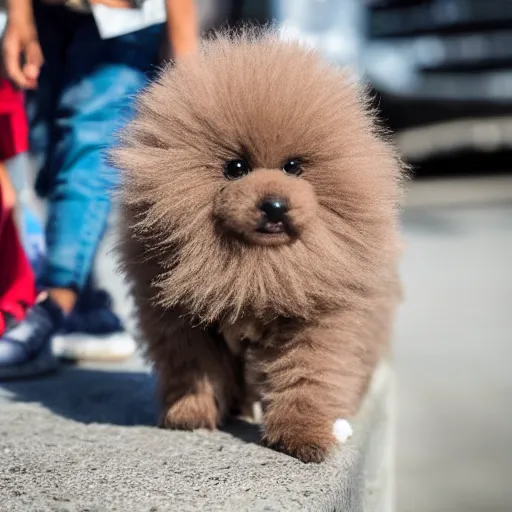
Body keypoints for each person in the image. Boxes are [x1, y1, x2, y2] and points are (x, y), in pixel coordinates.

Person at [0, 0, 199, 377]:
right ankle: (85, 304)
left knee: (88, 143)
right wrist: (20, 15)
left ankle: (53, 306)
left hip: (123, 19)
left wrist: (186, 68)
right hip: (48, 12)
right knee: (44, 146)